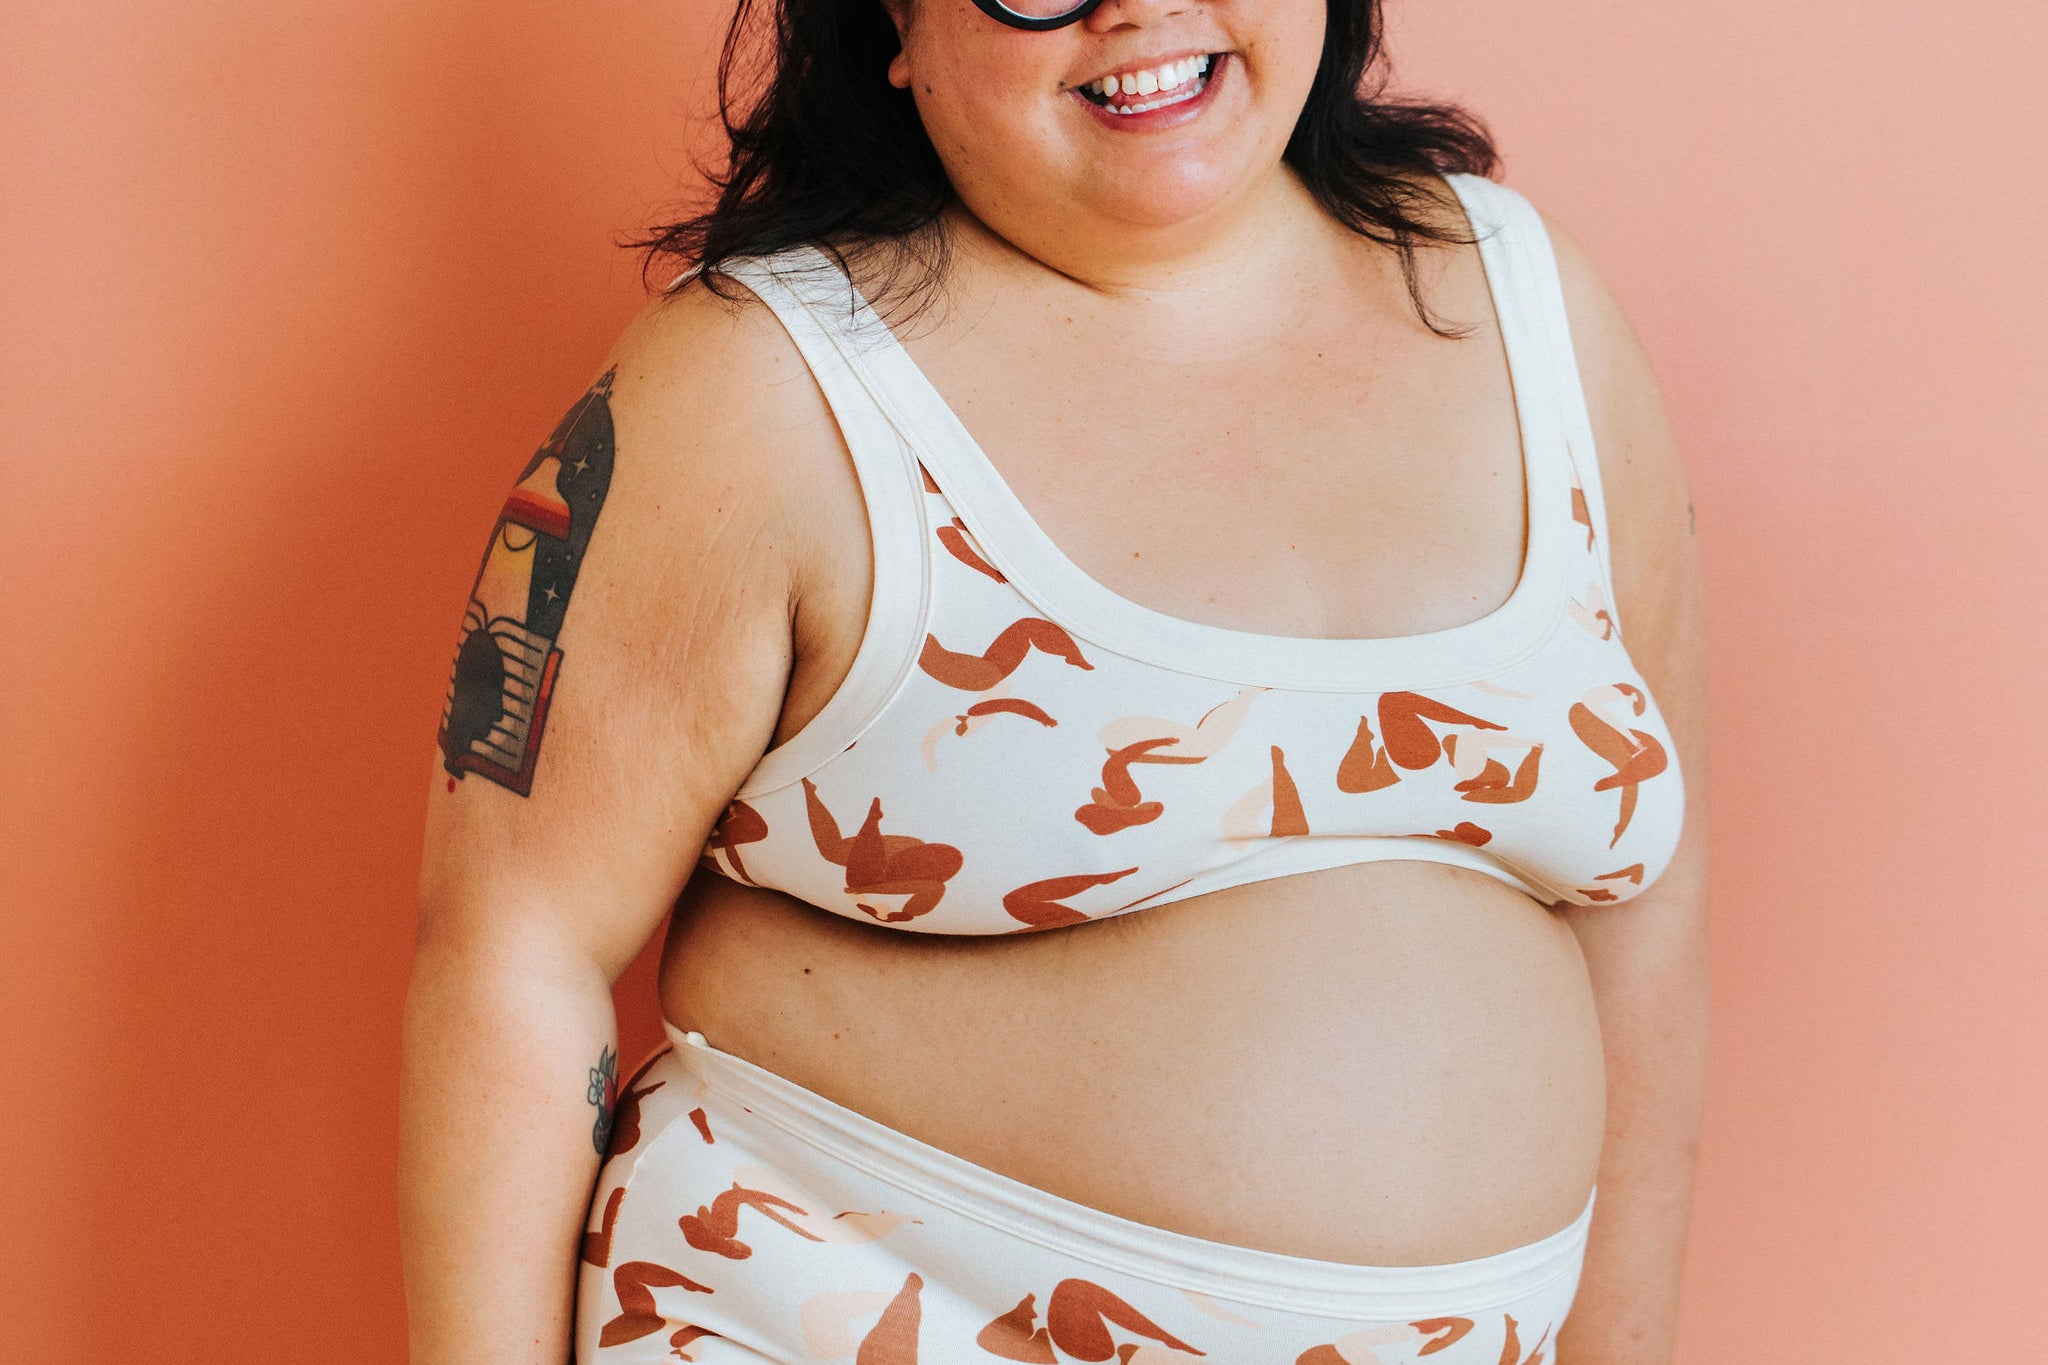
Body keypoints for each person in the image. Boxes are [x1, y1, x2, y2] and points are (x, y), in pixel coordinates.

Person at [399, 0, 1710, 1360]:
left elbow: (1650, 917)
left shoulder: (1537, 312)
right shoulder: (750, 391)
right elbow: (515, 954)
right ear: (891, 23)